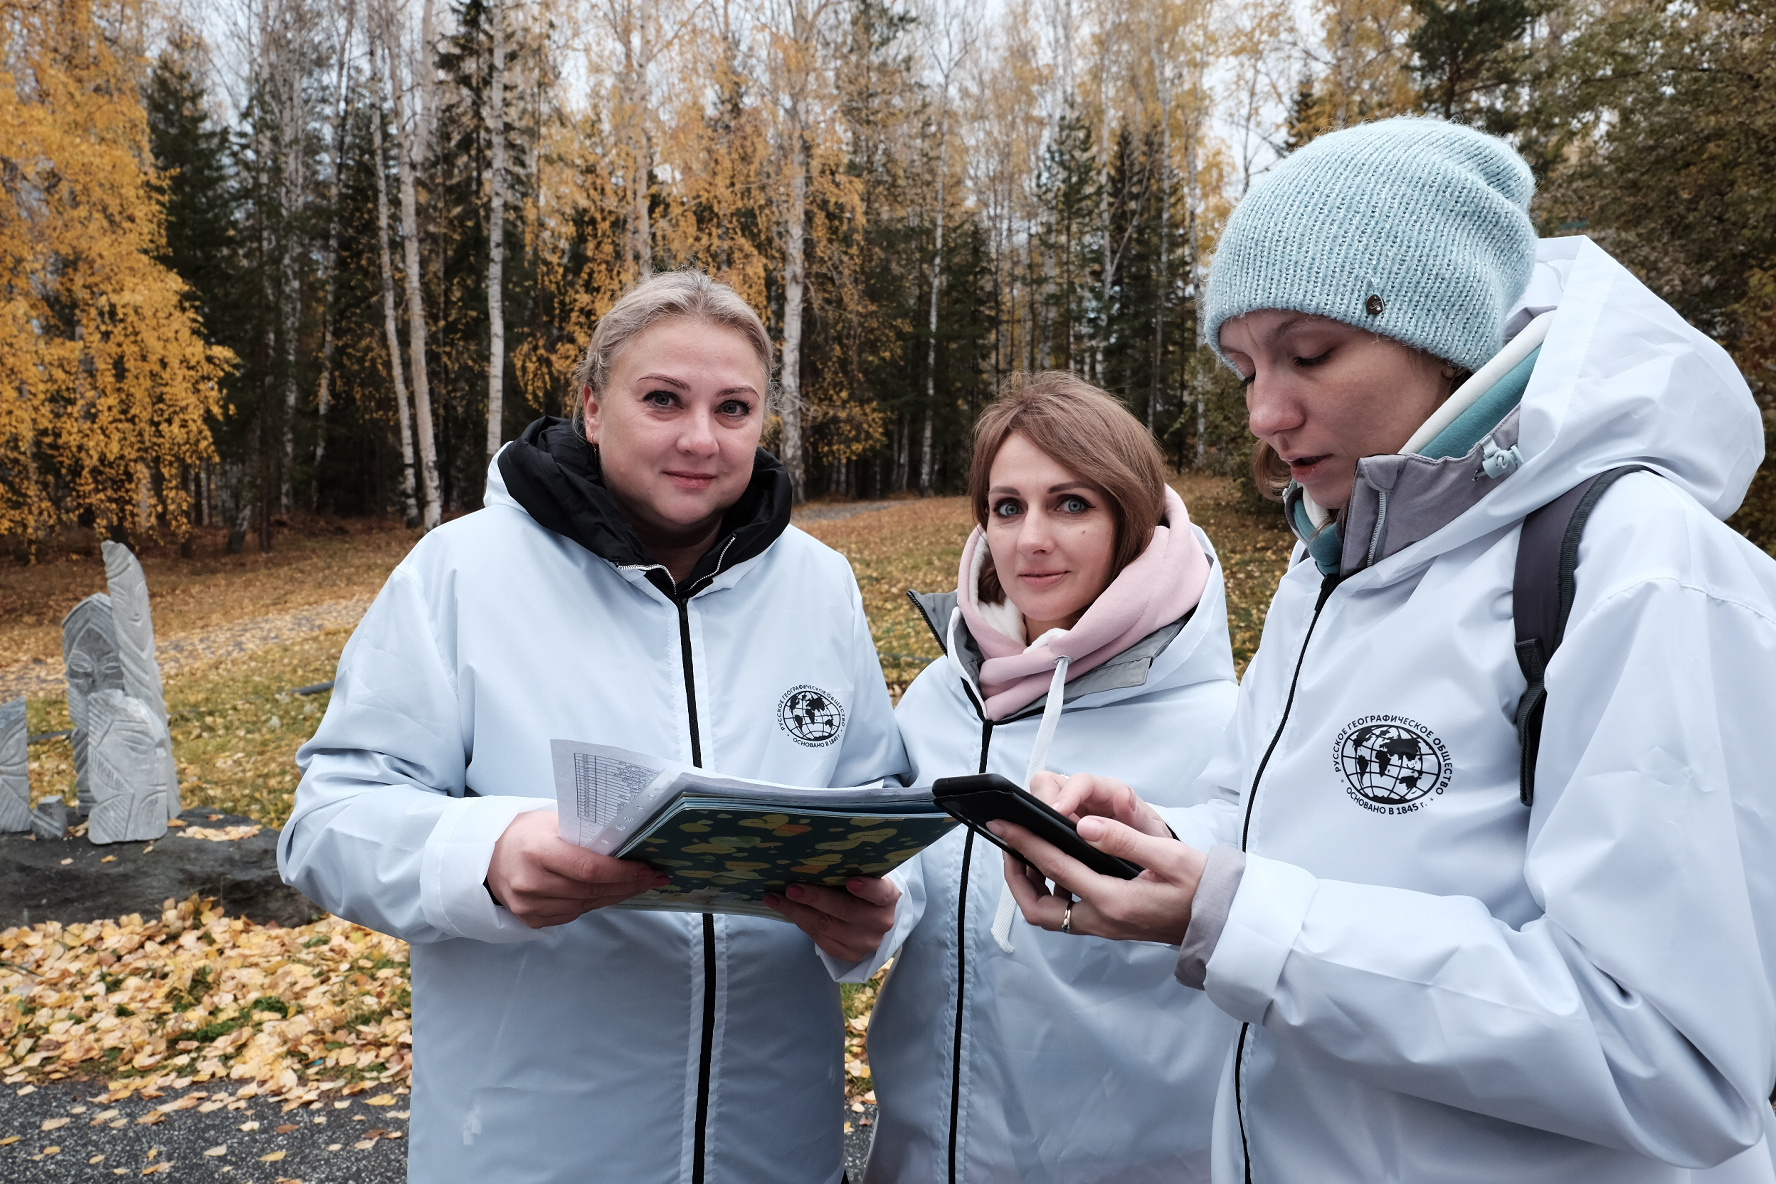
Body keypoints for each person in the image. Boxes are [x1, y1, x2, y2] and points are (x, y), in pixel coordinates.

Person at [993, 117, 1776, 1184]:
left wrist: (1239, 921)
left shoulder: (1642, 566)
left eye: (1310, 353)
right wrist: (1160, 838)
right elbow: (1284, 835)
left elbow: (1672, 1056)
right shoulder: (1330, 564)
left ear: (1446, 334)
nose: (1265, 412)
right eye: (1243, 366)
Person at [278, 270, 906, 1184]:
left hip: (777, 1146)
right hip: (530, 1146)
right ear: (592, 410)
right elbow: (328, 822)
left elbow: (878, 799)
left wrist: (877, 913)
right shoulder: (462, 572)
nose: (701, 438)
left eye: (733, 408)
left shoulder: (819, 584)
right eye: (663, 400)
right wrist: (486, 856)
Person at [772, 373, 1240, 1183]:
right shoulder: (940, 696)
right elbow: (907, 889)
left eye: (1071, 504)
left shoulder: (1228, 726)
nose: (1030, 540)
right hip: (917, 1159)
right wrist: (863, 915)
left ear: (1131, 516)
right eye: (1007, 507)